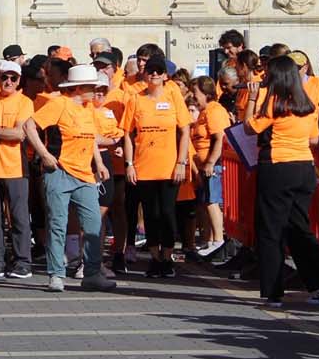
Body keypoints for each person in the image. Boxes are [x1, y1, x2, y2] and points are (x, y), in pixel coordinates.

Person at [246, 55, 319, 307]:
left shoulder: (274, 103)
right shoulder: (306, 104)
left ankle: (274, 291)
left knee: (271, 230)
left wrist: (253, 99)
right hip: (303, 166)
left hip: (278, 166)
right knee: (298, 228)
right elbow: (313, 138)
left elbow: (249, 127)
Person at [31, 64, 117, 293]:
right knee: (57, 225)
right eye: (92, 86)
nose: (96, 90)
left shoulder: (88, 108)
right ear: (78, 87)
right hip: (58, 172)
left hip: (84, 175)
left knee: (93, 224)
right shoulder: (59, 104)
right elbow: (29, 125)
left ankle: (92, 274)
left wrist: (99, 163)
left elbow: (90, 137)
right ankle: (56, 274)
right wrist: (44, 154)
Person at [120, 54, 192, 277]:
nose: (154, 74)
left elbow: (185, 130)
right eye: (150, 70)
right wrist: (129, 164)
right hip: (144, 167)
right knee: (151, 214)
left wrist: (181, 162)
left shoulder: (173, 97)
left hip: (169, 166)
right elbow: (127, 134)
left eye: (158, 71)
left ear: (165, 75)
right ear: (144, 73)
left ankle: (168, 257)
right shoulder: (136, 99)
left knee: (168, 213)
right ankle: (155, 257)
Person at [0, 60, 43, 279]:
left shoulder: (24, 102)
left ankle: (23, 261)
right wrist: (2, 132)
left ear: (19, 80)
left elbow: (20, 134)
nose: (9, 81)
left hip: (16, 168)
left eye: (13, 78)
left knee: (19, 217)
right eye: (5, 77)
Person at [188, 75, 231, 260]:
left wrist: (211, 162)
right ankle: (212, 240)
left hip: (213, 166)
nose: (193, 96)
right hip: (204, 165)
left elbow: (219, 138)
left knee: (212, 201)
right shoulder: (205, 111)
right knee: (207, 202)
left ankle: (218, 241)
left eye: (196, 92)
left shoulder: (214, 111)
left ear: (206, 93)